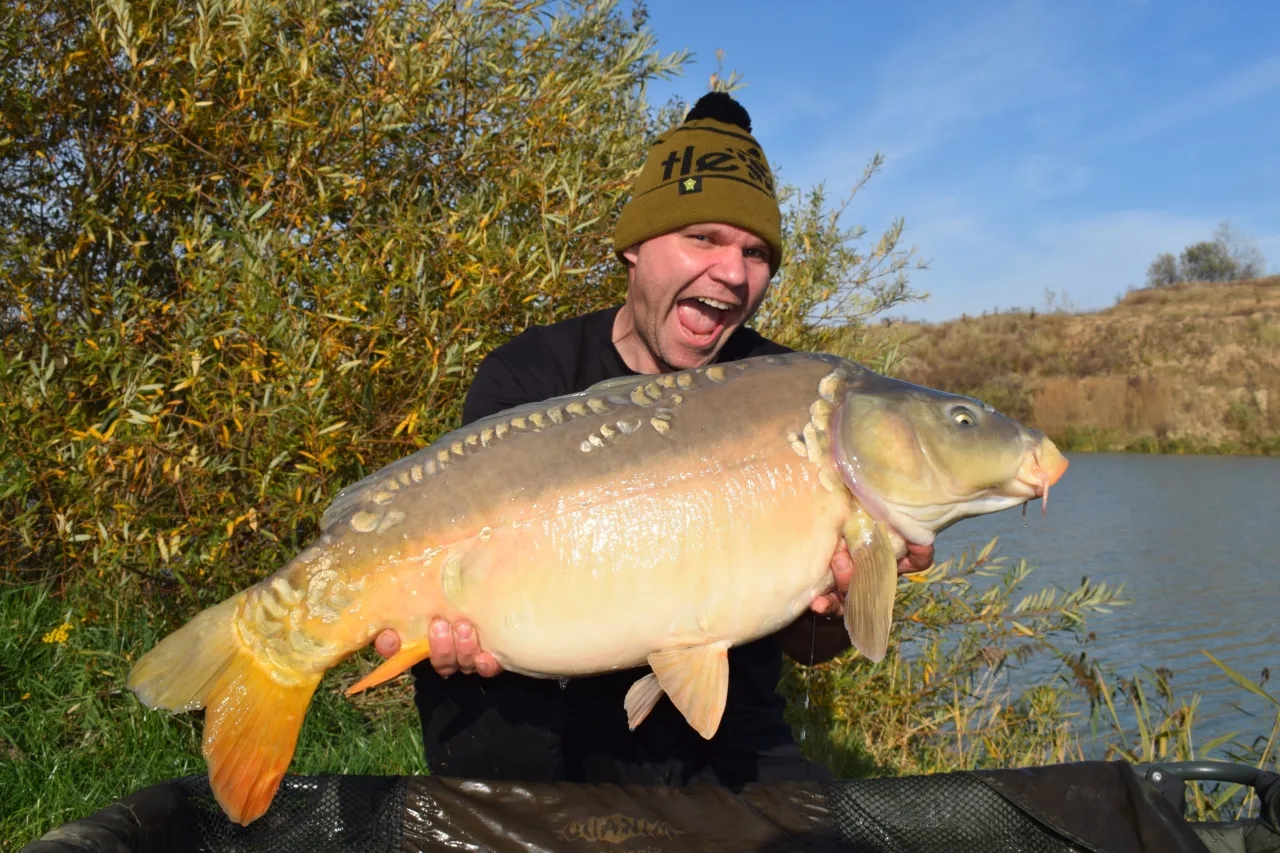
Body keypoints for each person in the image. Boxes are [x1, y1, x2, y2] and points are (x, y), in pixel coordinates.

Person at [373, 91, 934, 787]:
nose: (732, 273)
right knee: (485, 722)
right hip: (534, 712)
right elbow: (451, 561)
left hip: (718, 724)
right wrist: (445, 630)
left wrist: (842, 598)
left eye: (755, 251)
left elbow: (812, 646)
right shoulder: (531, 373)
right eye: (703, 238)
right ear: (635, 246)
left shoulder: (792, 394)